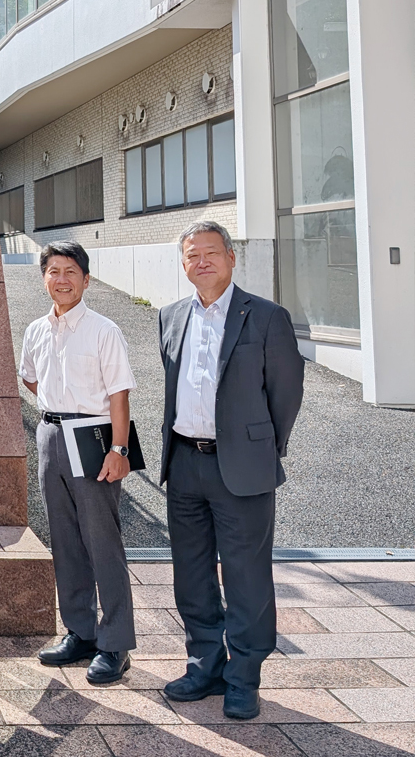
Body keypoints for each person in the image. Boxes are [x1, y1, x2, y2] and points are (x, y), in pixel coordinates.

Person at [159, 220, 304, 720]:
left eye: (211, 253)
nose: (202, 262)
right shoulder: (171, 316)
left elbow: (285, 394)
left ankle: (244, 677)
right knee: (192, 574)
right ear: (183, 263)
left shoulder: (265, 317)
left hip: (240, 467)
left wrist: (261, 447)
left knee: (246, 576)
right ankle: (205, 665)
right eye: (192, 255)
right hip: (184, 463)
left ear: (231, 257)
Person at [21, 241, 138, 684]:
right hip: (51, 433)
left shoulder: (104, 330)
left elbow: (119, 395)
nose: (62, 279)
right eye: (53, 271)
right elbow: (31, 379)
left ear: (86, 279)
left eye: (71, 271)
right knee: (65, 539)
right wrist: (57, 415)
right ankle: (80, 631)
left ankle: (116, 643)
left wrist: (119, 449)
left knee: (101, 540)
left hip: (95, 435)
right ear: (44, 278)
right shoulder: (35, 329)